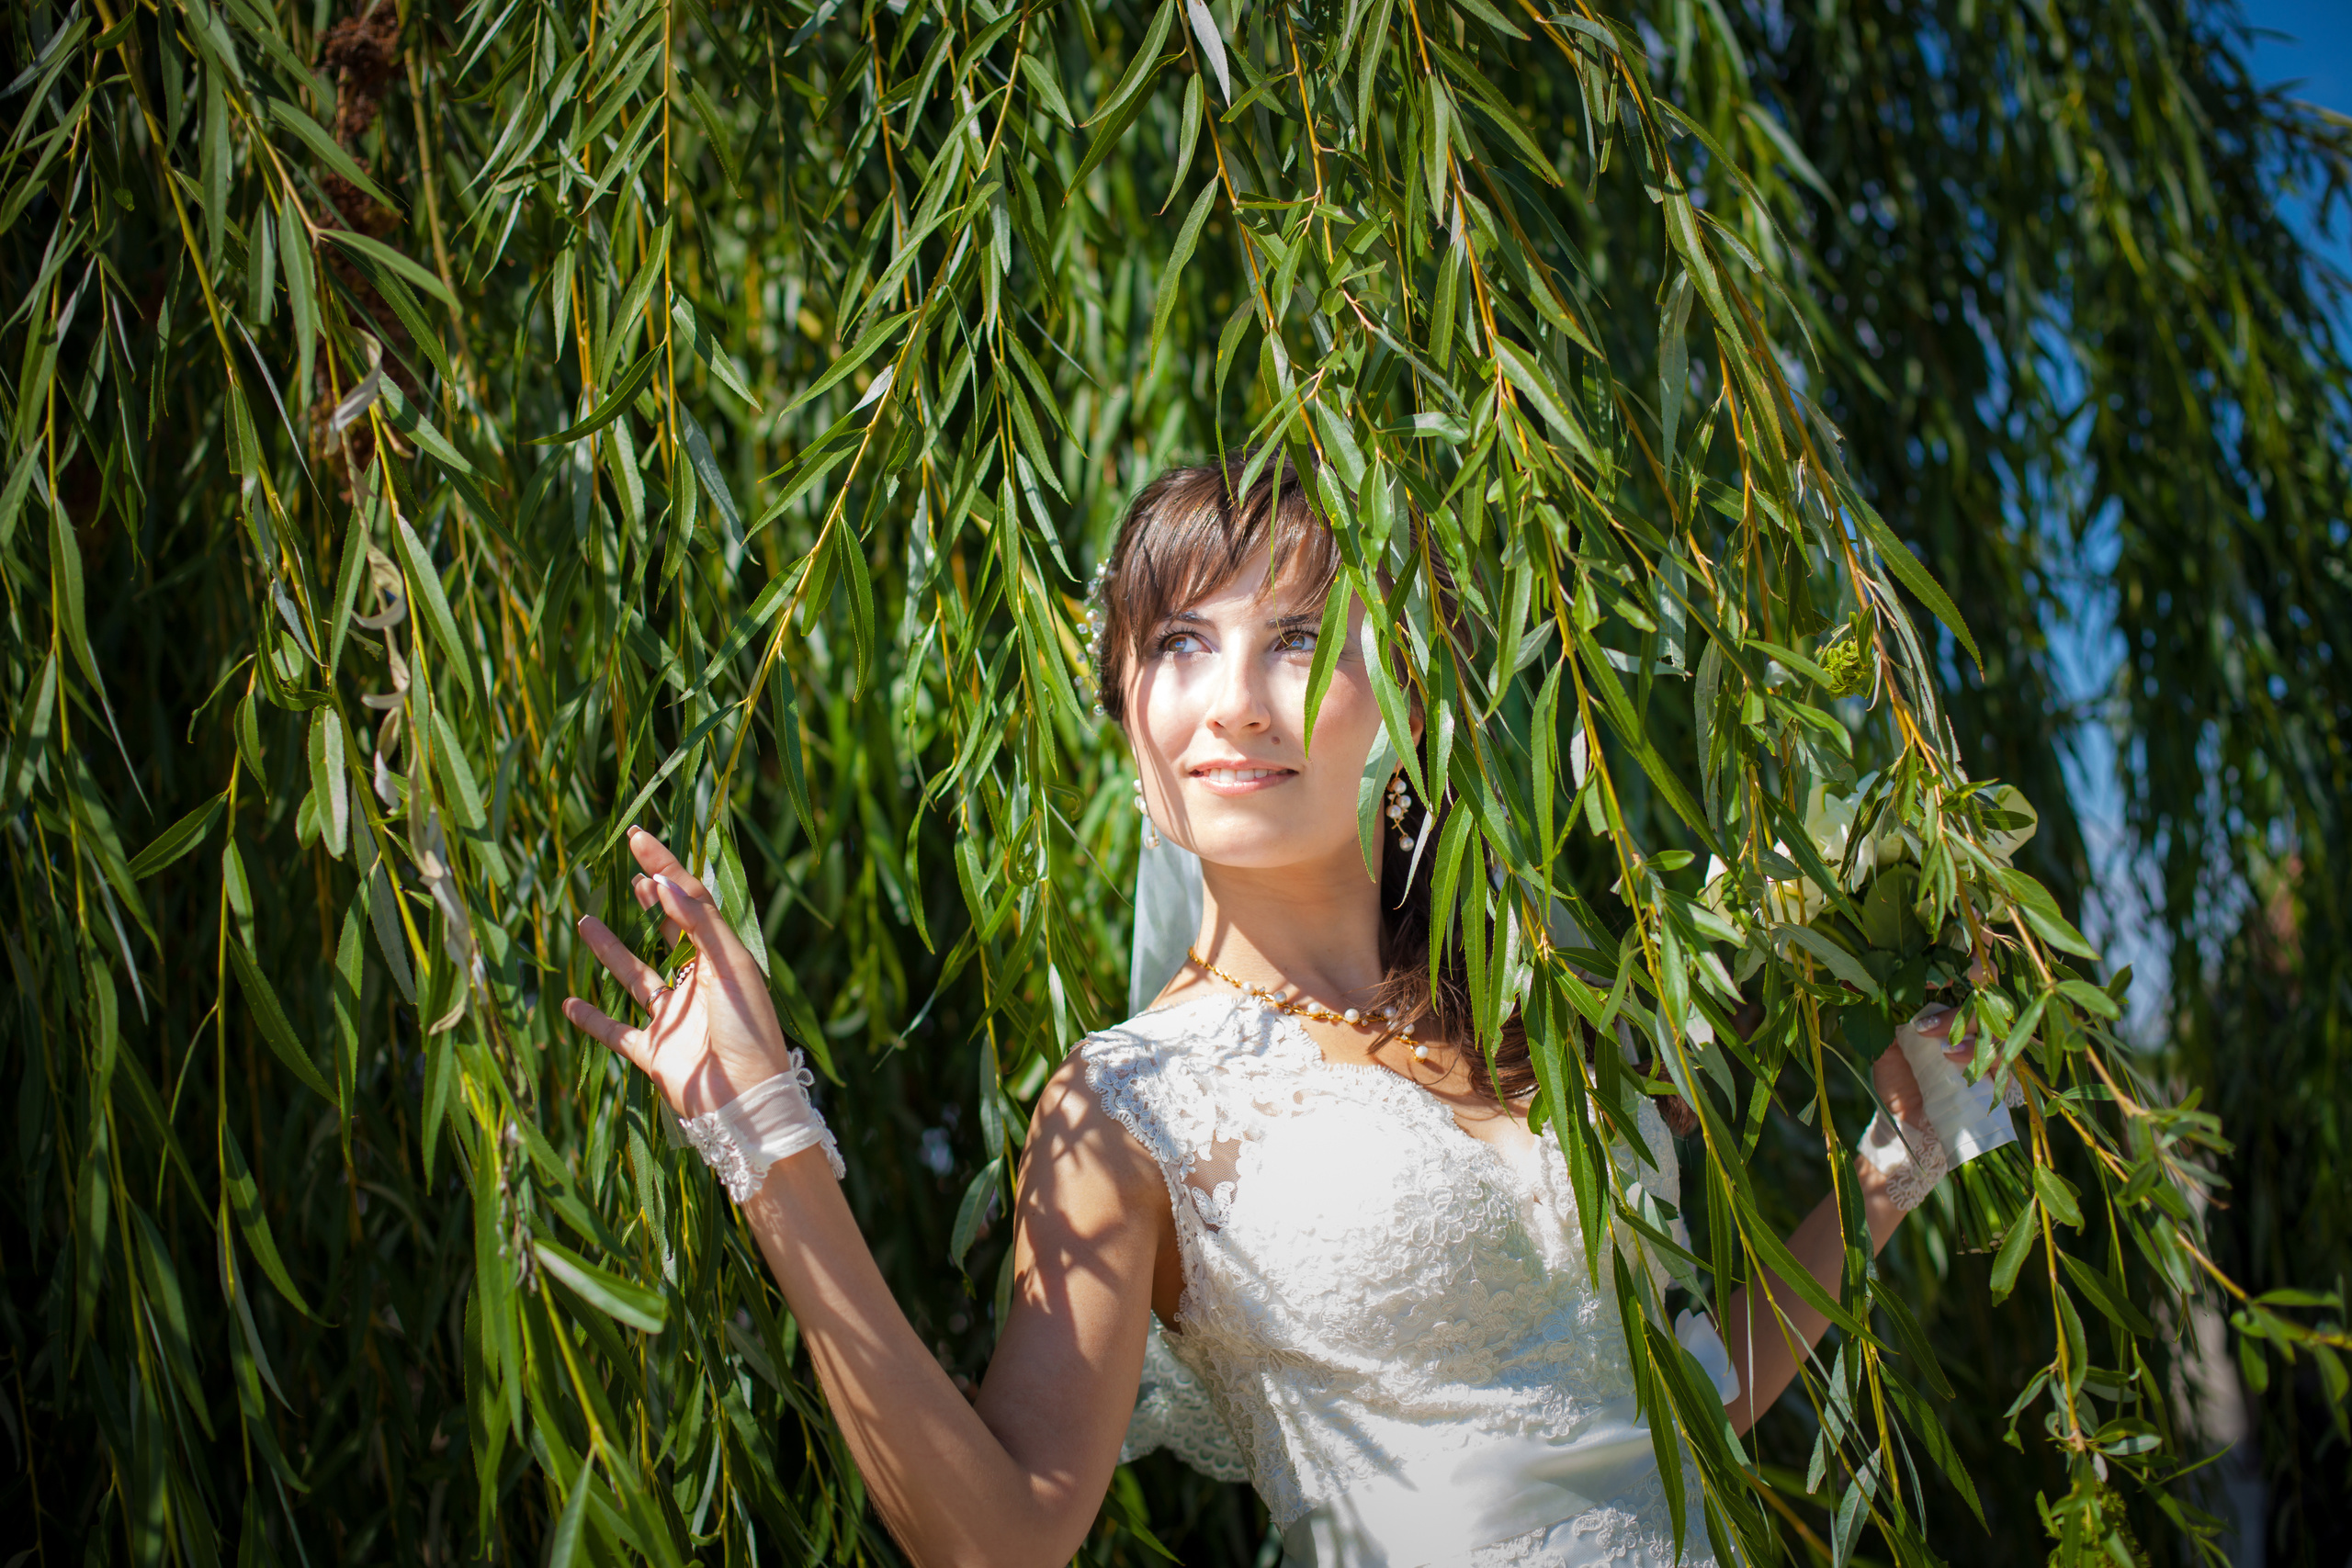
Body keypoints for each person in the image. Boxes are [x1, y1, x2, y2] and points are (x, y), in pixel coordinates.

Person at [562, 458, 1978, 1567]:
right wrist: (768, 1146)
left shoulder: (1536, 1017)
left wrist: (1888, 1175)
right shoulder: (1128, 1109)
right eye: (1180, 642)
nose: (1234, 702)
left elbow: (1672, 1406)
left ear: (1406, 703)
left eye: (1298, 638)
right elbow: (998, 1540)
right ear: (1128, 720)